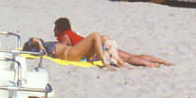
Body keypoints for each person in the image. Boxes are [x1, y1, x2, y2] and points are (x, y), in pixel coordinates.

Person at [25, 18, 172, 68]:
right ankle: (158, 61)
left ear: (60, 29)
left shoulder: (65, 36)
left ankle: (149, 64)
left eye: (55, 29)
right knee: (129, 55)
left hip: (94, 49)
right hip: (94, 47)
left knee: (126, 58)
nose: (54, 31)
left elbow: (68, 48)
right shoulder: (70, 33)